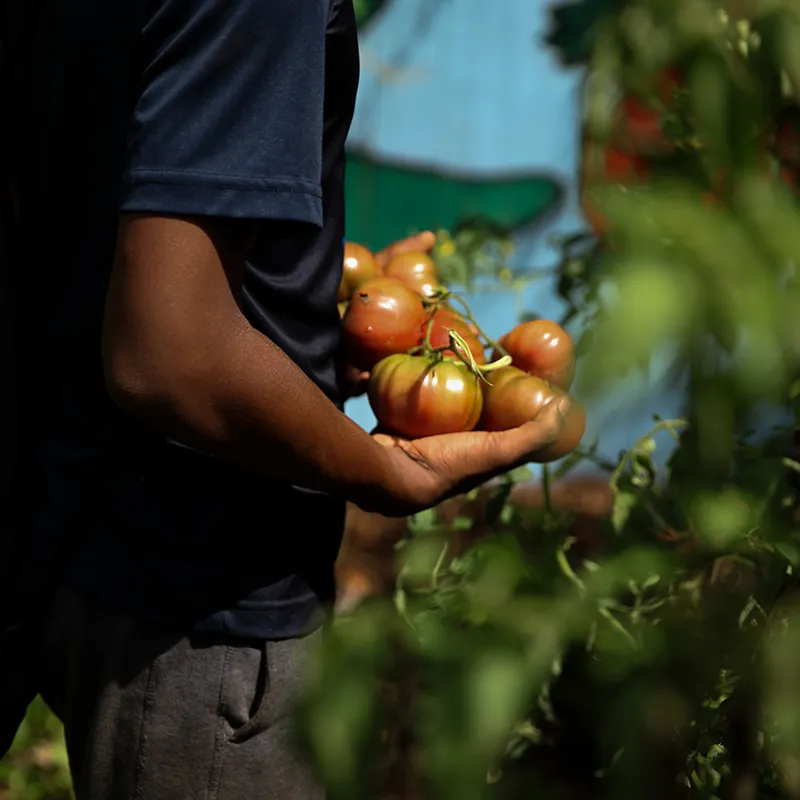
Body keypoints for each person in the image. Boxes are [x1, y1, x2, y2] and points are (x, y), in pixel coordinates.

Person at [0, 1, 570, 798]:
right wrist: (379, 471)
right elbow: (172, 358)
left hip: (58, 511)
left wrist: (293, 302)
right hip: (199, 586)